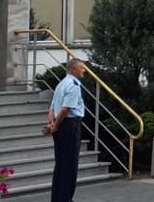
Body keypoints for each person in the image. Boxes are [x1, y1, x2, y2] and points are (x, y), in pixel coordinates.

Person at [48, 58, 86, 202]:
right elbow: (65, 109)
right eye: (81, 68)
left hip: (60, 125)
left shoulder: (61, 84)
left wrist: (52, 123)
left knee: (60, 164)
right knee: (69, 165)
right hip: (69, 125)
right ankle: (65, 198)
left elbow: (52, 109)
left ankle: (57, 198)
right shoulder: (74, 85)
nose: (84, 70)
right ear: (73, 69)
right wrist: (56, 125)